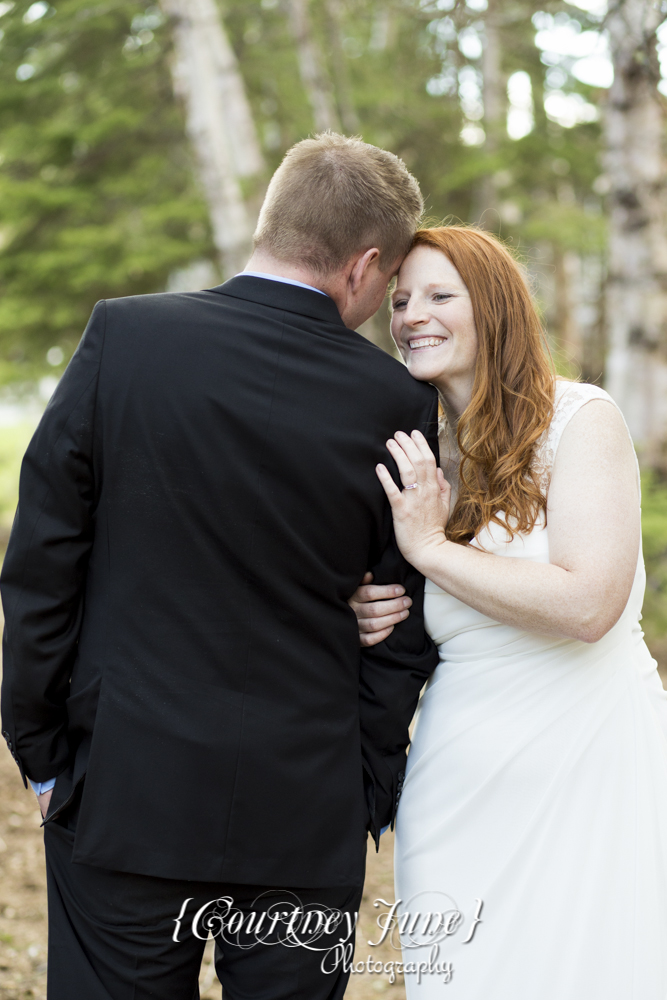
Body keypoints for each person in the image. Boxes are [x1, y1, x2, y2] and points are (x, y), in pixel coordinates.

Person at [0, 133, 441, 1000]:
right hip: (305, 806)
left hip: (123, 790)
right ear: (364, 264)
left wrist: (47, 756)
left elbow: (42, 563)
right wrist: (362, 783)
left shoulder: (124, 339)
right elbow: (403, 620)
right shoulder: (398, 401)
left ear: (268, 220)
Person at [349, 225, 667, 998]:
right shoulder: (417, 452)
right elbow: (402, 601)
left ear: (491, 307)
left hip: (594, 762)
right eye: (398, 301)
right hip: (460, 777)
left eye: (437, 295)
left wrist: (430, 552)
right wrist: (366, 608)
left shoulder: (580, 420)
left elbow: (588, 603)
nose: (409, 315)